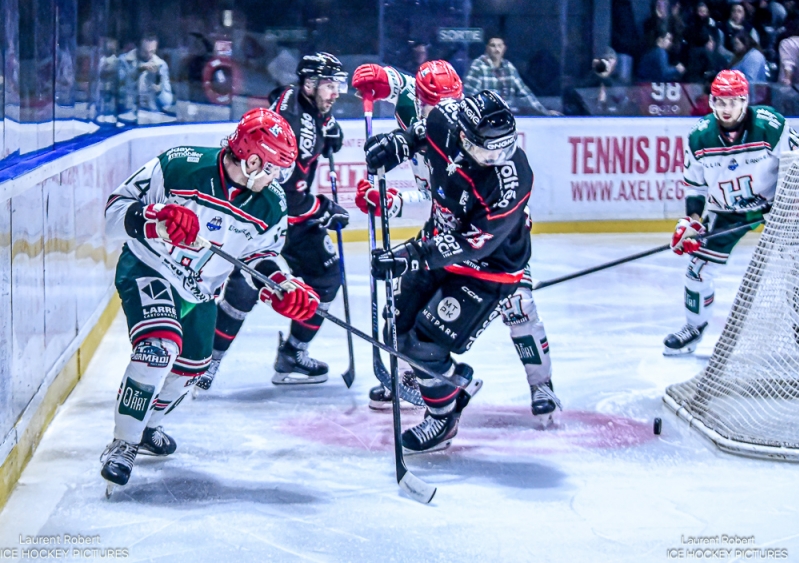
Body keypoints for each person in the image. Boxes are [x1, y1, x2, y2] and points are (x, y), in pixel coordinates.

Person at [100, 108, 319, 488]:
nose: (275, 178)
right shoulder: (180, 166)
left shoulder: (271, 203)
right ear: (252, 159)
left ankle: (147, 426)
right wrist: (155, 218)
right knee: (157, 348)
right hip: (149, 267)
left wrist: (281, 284)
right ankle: (123, 444)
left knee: (191, 369)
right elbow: (113, 215)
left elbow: (259, 256)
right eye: (271, 168)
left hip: (200, 291)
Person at [351, 61, 561, 424]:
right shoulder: (439, 117)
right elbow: (409, 99)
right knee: (402, 321)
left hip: (492, 252)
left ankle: (542, 386)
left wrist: (410, 250)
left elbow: (477, 241)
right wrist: (400, 143)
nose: (496, 160)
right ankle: (417, 375)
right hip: (441, 233)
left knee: (520, 310)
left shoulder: (507, 177)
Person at [195, 53, 349, 391]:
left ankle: (293, 354)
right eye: (329, 85)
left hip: (292, 217)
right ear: (309, 85)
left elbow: (278, 94)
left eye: (338, 84)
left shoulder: (299, 101)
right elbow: (288, 198)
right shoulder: (294, 121)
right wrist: (323, 208)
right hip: (262, 213)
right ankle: (207, 362)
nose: (336, 92)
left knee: (326, 275)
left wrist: (328, 128)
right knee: (245, 287)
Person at [664, 69, 799, 355]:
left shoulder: (770, 125)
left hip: (778, 206)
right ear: (712, 102)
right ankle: (693, 328)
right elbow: (696, 187)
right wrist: (692, 223)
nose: (726, 109)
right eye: (720, 102)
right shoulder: (699, 137)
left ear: (745, 101)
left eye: (733, 102)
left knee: (796, 269)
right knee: (698, 270)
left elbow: (797, 165)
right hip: (729, 211)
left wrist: (788, 205)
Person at [463, 37, 558, 116]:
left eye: (500, 46)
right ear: (487, 48)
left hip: (505, 118)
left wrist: (544, 112)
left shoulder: (508, 67)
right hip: (484, 118)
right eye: (493, 46)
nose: (497, 49)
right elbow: (470, 96)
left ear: (504, 48)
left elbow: (524, 93)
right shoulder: (477, 66)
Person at [117, 35, 174, 113]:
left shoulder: (161, 65)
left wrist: (159, 92)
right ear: (138, 48)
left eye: (152, 52)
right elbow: (119, 94)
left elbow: (167, 102)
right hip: (128, 112)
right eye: (145, 52)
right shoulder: (124, 61)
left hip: (152, 113)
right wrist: (136, 72)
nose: (148, 55)